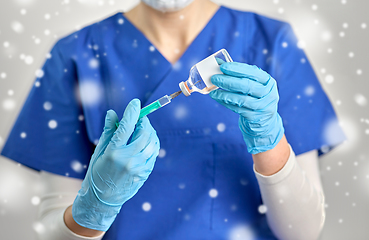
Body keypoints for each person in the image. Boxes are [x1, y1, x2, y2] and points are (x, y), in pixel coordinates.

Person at [1, 0, 346, 239]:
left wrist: (270, 140)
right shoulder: (76, 54)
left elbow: (303, 233)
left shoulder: (270, 43)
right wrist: (94, 207)